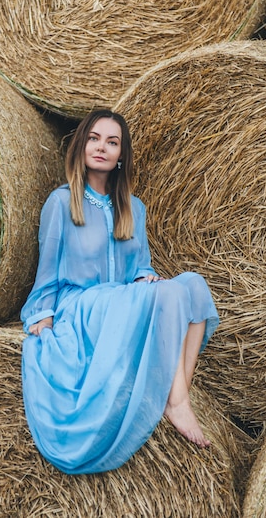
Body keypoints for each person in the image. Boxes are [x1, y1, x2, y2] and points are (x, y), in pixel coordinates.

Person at [21, 109, 219, 475]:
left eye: (112, 142)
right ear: (81, 146)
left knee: (191, 285)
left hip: (123, 302)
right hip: (82, 306)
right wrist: (42, 316)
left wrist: (149, 282)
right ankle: (177, 402)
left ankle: (175, 394)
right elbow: (46, 271)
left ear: (121, 156)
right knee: (169, 295)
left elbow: (141, 268)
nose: (101, 147)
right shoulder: (62, 203)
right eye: (94, 138)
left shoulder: (134, 208)